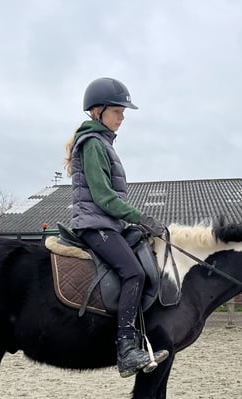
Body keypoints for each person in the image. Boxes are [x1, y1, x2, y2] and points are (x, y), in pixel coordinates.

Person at [64, 77, 169, 378]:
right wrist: (142, 218)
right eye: (118, 112)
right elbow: (104, 196)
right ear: (98, 111)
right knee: (133, 272)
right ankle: (125, 348)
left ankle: (138, 340)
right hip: (95, 224)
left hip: (107, 224)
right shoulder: (95, 144)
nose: (122, 118)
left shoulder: (102, 143)